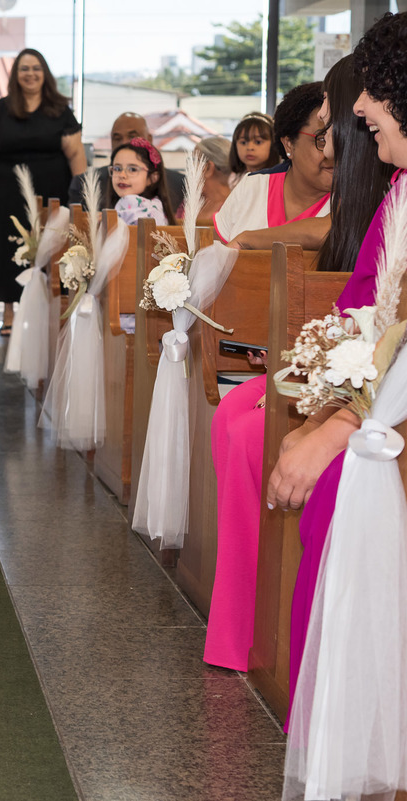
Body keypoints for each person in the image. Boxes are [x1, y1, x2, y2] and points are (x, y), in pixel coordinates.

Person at [203, 57, 388, 683]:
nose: (335, 136)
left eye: (338, 124)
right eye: (326, 127)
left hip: (369, 392)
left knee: (253, 427)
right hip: (350, 375)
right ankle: (239, 628)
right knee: (234, 413)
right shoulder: (369, 195)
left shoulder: (374, 200)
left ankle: (265, 635)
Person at [284, 27, 407, 734]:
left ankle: (342, 726)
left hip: (384, 417)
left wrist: (335, 427)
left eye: (375, 88)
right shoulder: (398, 197)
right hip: (376, 402)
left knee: (337, 483)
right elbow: (362, 313)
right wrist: (325, 411)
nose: (358, 106)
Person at [0, 48, 85, 336]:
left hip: (54, 194)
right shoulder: (1, 109)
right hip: (6, 193)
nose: (30, 74)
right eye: (24, 68)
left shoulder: (60, 109)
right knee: (6, 251)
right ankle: (8, 311)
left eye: (36, 68)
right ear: (16, 75)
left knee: (51, 250)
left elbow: (76, 155)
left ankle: (49, 312)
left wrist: (80, 198)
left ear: (44, 73)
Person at [214, 82, 333, 248]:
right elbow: (215, 259)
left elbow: (335, 232)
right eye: (321, 139)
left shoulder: (354, 194)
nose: (332, 152)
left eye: (343, 140)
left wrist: (247, 239)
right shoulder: (252, 186)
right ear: (289, 143)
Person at [67, 112, 188, 212]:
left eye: (132, 136)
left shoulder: (181, 185)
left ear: (149, 139)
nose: (125, 143)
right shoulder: (85, 183)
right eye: (117, 138)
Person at [108, 137, 174, 225]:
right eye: (117, 168)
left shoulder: (128, 202)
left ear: (152, 178)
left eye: (132, 169)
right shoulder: (156, 204)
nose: (122, 175)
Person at [186, 136, 235, 224]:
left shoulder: (233, 209)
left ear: (208, 168)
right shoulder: (189, 203)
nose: (190, 168)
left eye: (194, 161)